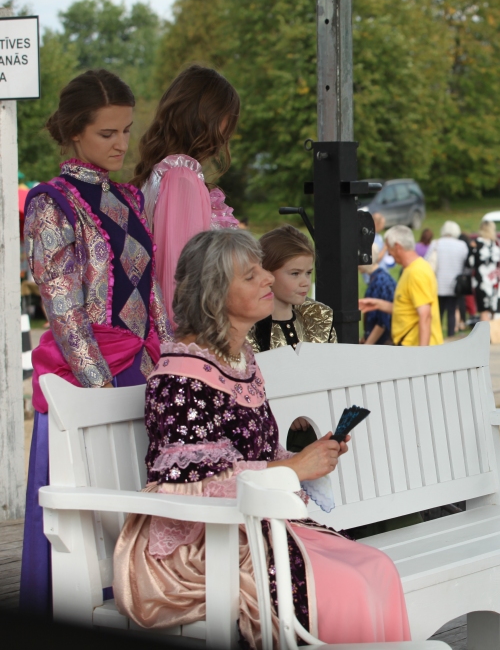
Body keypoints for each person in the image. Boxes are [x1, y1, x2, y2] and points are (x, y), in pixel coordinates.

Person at [113, 229, 410, 647]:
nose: (268, 278)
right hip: (206, 542)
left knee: (376, 566)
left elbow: (258, 455)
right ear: (214, 293)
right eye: (251, 276)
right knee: (343, 584)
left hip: (256, 524)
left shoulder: (240, 360)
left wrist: (307, 458)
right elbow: (190, 486)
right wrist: (294, 468)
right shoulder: (180, 377)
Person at [20, 70, 173, 617]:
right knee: (89, 518)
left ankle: (142, 607)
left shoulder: (127, 197)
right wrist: (99, 391)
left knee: (137, 501)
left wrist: (172, 361)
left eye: (126, 130)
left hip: (142, 369)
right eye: (107, 133)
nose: (121, 144)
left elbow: (151, 292)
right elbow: (64, 312)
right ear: (74, 132)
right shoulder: (49, 204)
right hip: (88, 379)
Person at [130, 65, 241, 324]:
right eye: (228, 118)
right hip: (189, 335)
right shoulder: (181, 178)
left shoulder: (164, 174)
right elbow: (179, 279)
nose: (229, 131)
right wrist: (186, 342)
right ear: (208, 117)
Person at [247, 224, 336, 353]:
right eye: (295, 273)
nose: (305, 282)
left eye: (308, 273)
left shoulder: (319, 316)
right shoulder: (247, 326)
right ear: (266, 274)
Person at [358, 226, 443, 346]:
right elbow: (405, 308)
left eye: (389, 248)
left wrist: (423, 354)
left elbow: (425, 315)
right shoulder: (411, 269)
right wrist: (376, 304)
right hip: (409, 347)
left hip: (414, 348)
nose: (388, 253)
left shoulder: (416, 272)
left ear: (397, 247)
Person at [427, 221, 470, 337]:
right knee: (452, 311)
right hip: (454, 285)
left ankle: (437, 336)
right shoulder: (461, 245)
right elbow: (466, 265)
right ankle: (451, 336)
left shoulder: (436, 243)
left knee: (438, 312)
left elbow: (427, 262)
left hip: (438, 284)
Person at [468, 219, 500, 321]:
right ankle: (493, 330)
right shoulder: (499, 244)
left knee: (484, 310)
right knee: (494, 309)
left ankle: (485, 330)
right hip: (495, 280)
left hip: (480, 280)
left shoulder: (476, 243)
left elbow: (470, 263)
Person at [360, 244, 396, 345]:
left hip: (382, 344)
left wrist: (368, 345)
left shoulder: (381, 281)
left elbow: (383, 322)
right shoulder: (376, 279)